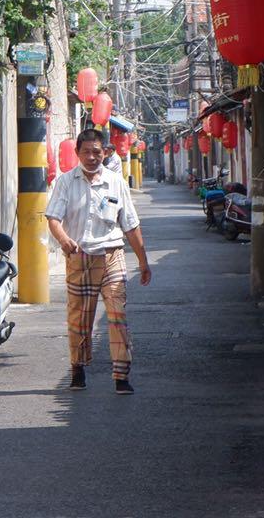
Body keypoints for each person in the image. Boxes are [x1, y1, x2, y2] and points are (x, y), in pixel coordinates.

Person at [45, 127, 152, 394]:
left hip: (112, 255)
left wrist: (143, 261)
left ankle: (121, 376)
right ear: (77, 153)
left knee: (118, 314)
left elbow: (130, 224)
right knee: (80, 318)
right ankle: (77, 368)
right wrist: (64, 240)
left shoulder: (116, 182)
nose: (92, 157)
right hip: (79, 257)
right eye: (86, 152)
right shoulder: (66, 182)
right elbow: (53, 218)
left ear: (105, 152)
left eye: (96, 152)